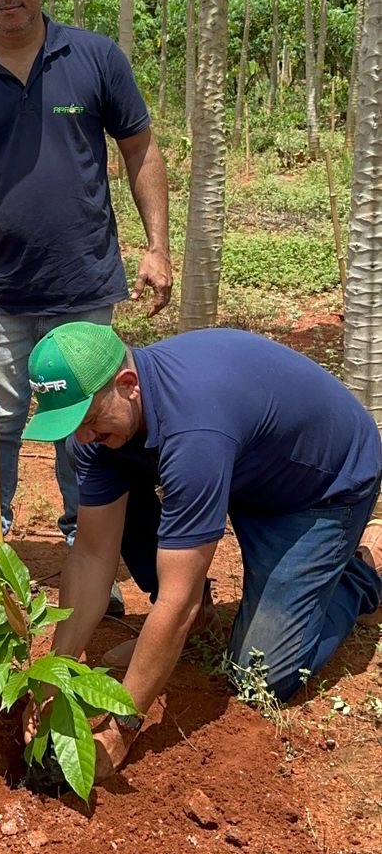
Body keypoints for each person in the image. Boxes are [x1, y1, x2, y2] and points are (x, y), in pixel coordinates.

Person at [0, 0, 172, 597]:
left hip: (82, 281)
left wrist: (157, 246)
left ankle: (85, 541)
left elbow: (139, 148)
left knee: (86, 424)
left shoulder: (94, 58)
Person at [21, 321, 382, 782]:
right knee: (119, 497)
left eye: (90, 420)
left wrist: (121, 728)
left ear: (127, 386)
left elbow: (179, 599)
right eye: (73, 425)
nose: (84, 437)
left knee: (263, 678)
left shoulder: (194, 433)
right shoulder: (102, 432)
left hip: (321, 488)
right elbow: (91, 555)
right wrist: (56, 671)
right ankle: (195, 630)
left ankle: (360, 570)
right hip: (247, 470)